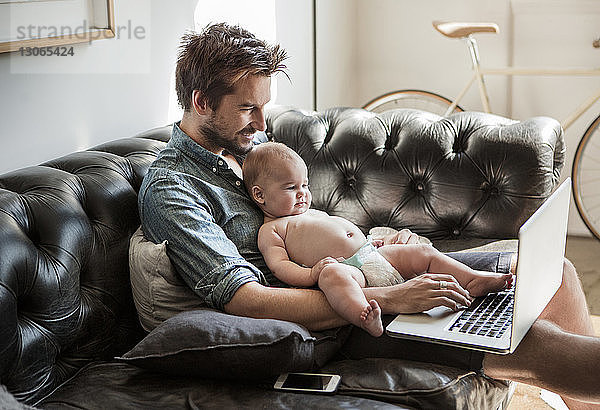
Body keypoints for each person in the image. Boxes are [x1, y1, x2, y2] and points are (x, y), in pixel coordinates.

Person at [139, 22, 600, 408]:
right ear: (201, 102)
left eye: (264, 106)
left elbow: (306, 220)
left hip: (362, 270)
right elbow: (247, 301)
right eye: (248, 109)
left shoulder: (247, 146)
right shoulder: (172, 187)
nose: (262, 123)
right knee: (532, 342)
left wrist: (372, 243)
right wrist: (393, 298)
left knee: (553, 273)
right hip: (337, 313)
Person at [242, 141, 512, 337]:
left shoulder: (309, 212)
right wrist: (313, 273)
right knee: (332, 277)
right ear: (260, 195)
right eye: (291, 188)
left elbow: (342, 233)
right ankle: (364, 315)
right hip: (350, 270)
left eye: (305, 185)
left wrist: (373, 245)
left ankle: (471, 279)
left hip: (372, 256)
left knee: (423, 255)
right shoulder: (271, 230)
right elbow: (280, 267)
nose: (303, 193)